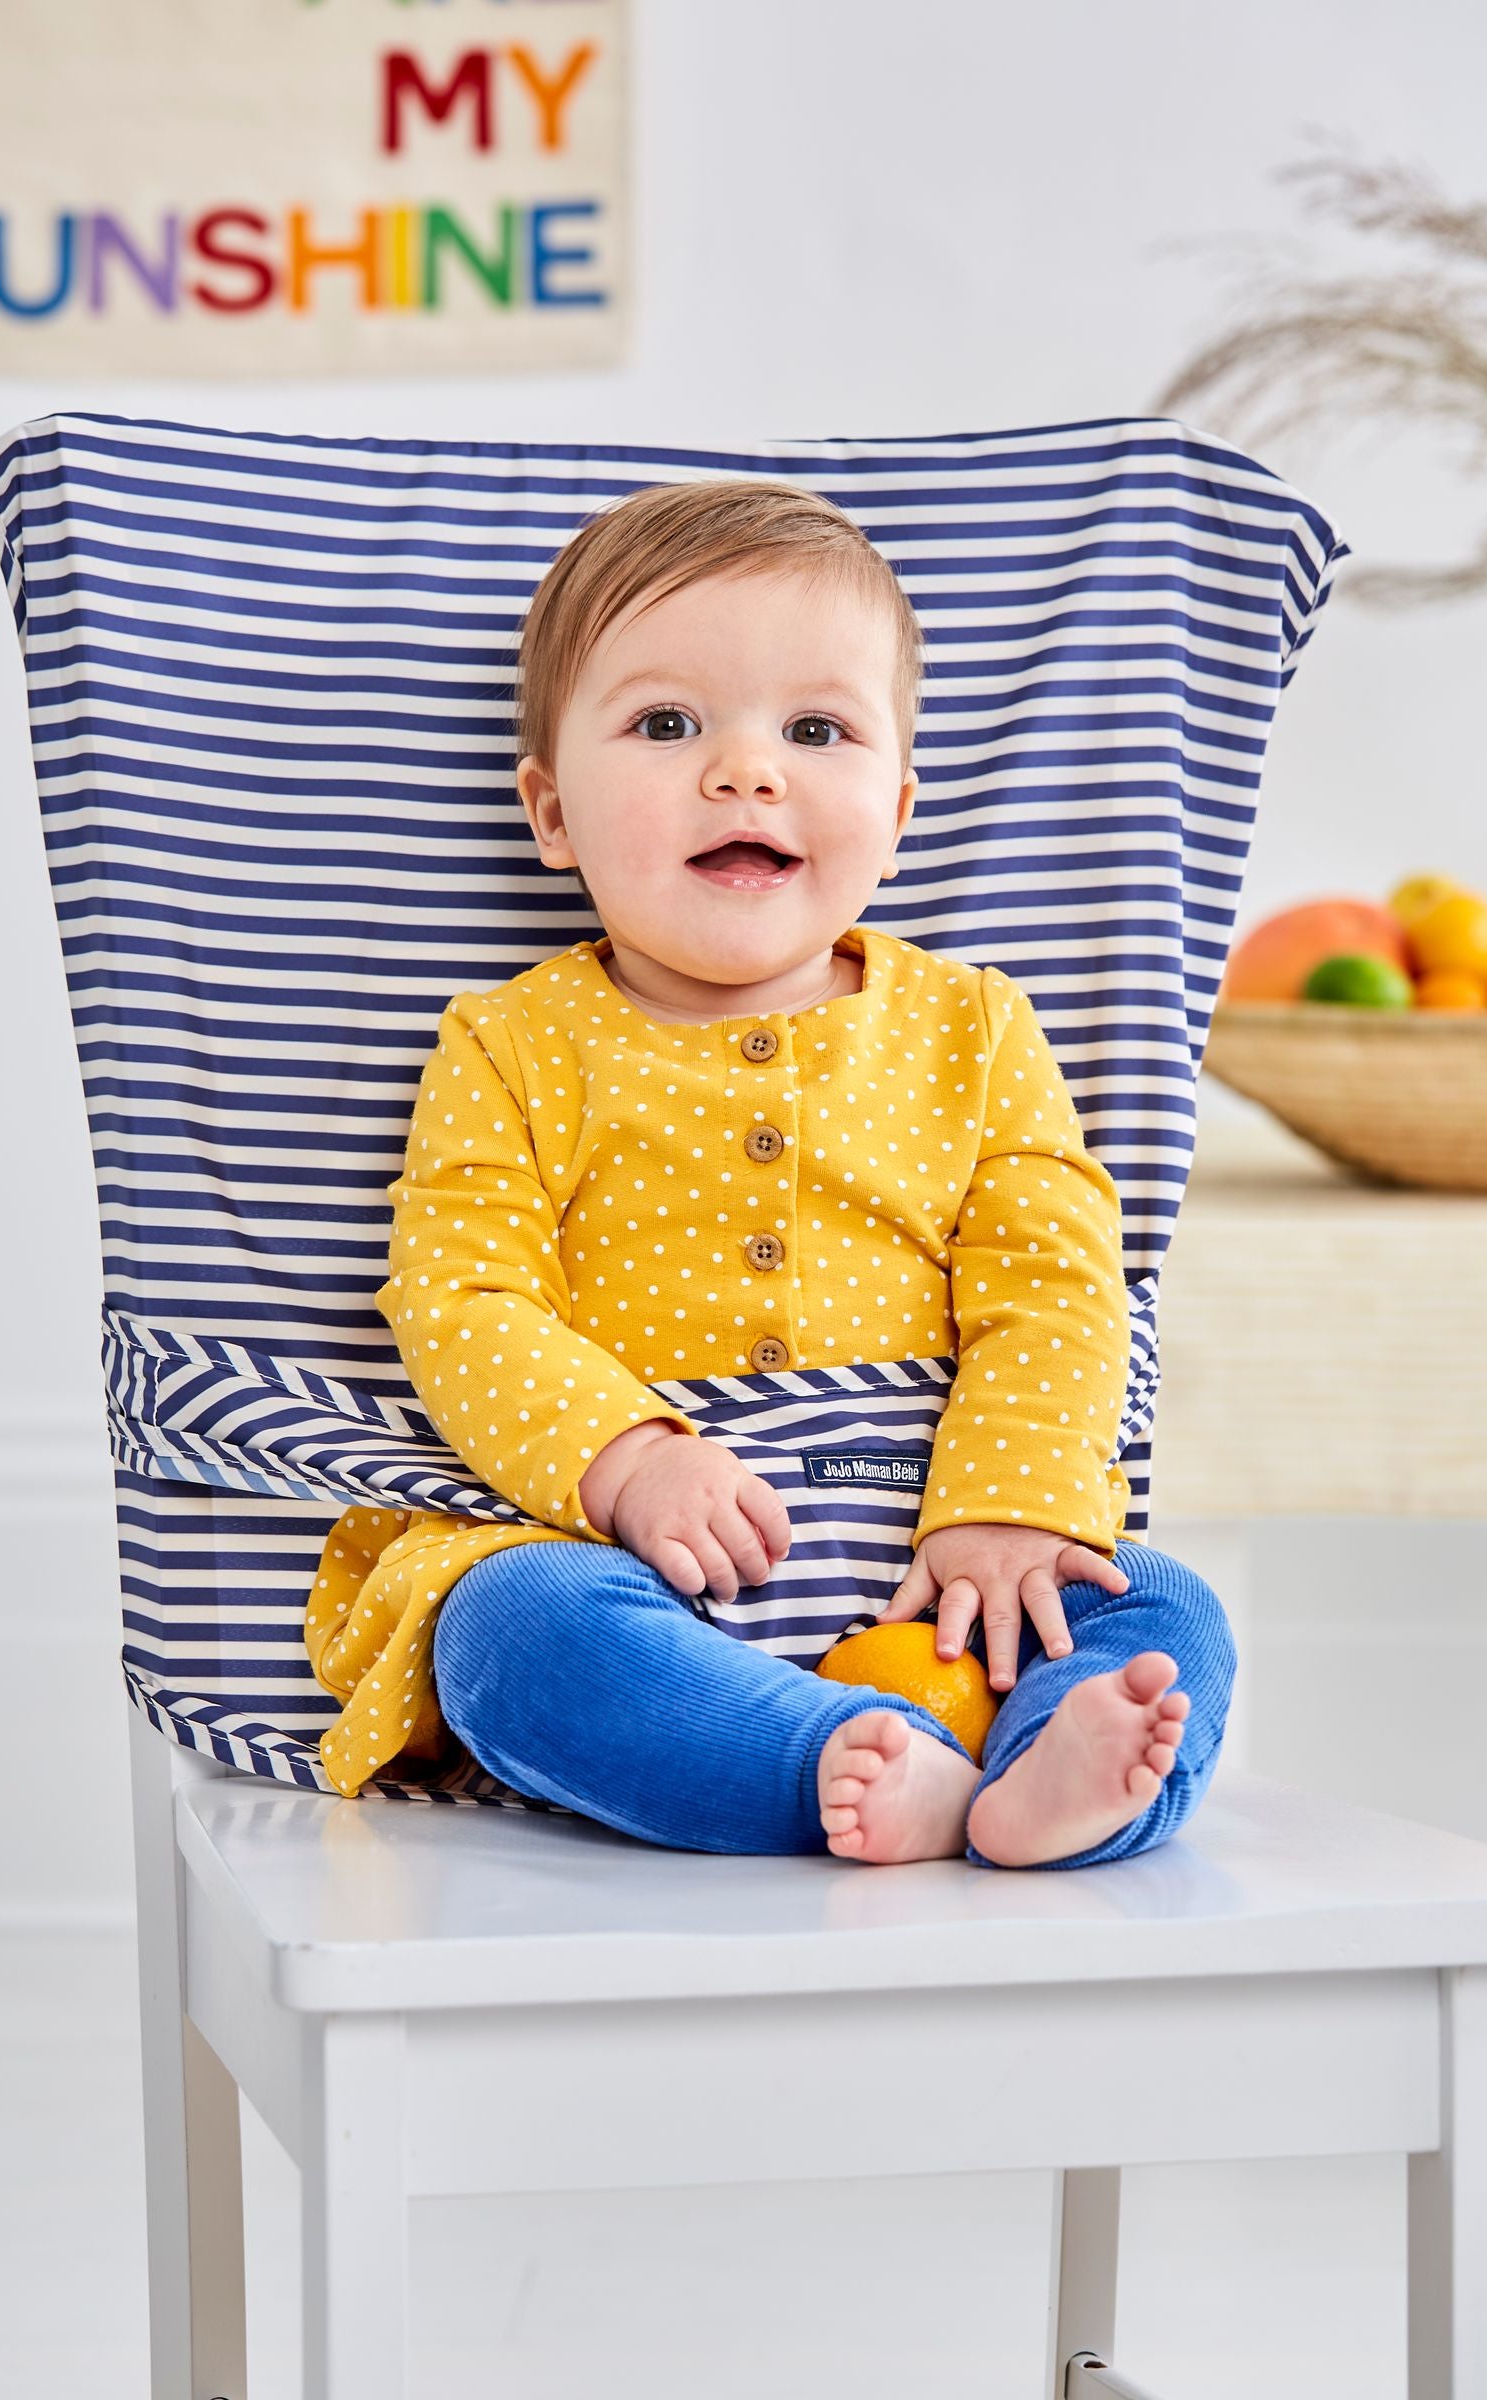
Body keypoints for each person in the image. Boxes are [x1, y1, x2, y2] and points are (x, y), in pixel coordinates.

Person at [304, 479, 1235, 1868]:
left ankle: (1048, 1780)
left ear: (900, 806)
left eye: (817, 730)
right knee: (509, 1638)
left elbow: (1056, 1286)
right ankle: (832, 1767)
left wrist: (1008, 1503)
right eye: (667, 724)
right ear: (552, 814)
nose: (747, 771)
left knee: (1160, 1604)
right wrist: (625, 1464)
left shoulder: (974, 1031)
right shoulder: (510, 1045)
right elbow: (464, 1299)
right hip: (634, 1568)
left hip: (947, 1570)